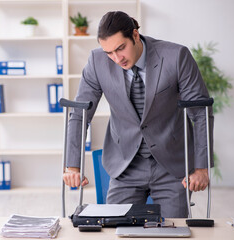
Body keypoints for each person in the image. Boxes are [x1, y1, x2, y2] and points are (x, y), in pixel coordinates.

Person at [62, 11, 214, 218]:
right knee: (116, 227)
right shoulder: (97, 62)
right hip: (125, 166)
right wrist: (72, 167)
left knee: (173, 230)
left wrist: (201, 168)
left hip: (171, 167)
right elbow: (80, 115)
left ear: (135, 35)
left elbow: (201, 114)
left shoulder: (176, 56)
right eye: (109, 53)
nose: (116, 58)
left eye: (120, 48)